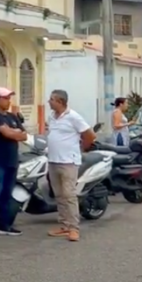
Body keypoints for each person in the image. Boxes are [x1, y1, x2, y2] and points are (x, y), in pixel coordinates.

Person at [46, 89, 96, 242]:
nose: (49, 102)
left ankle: (74, 228)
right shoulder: (52, 117)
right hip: (53, 161)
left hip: (68, 162)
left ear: (60, 101)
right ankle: (64, 226)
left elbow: (90, 135)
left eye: (52, 99)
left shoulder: (73, 116)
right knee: (59, 195)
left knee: (69, 195)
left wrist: (82, 148)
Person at [0, 87, 27, 238]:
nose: (8, 101)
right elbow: (7, 133)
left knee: (7, 194)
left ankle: (4, 224)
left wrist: (15, 133)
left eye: (9, 98)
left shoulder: (12, 117)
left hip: (12, 161)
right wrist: (14, 134)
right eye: (5, 98)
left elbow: (24, 135)